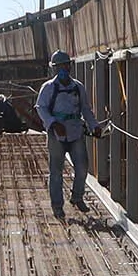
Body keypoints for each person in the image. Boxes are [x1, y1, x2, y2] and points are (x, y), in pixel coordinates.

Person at [36, 50, 95, 220]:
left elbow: (86, 109)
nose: (63, 69)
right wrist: (53, 123)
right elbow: (41, 108)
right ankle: (57, 206)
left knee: (82, 168)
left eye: (65, 65)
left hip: (75, 131)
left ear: (69, 66)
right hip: (57, 135)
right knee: (56, 172)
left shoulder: (78, 87)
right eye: (59, 66)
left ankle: (77, 197)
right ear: (54, 69)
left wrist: (94, 125)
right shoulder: (48, 88)